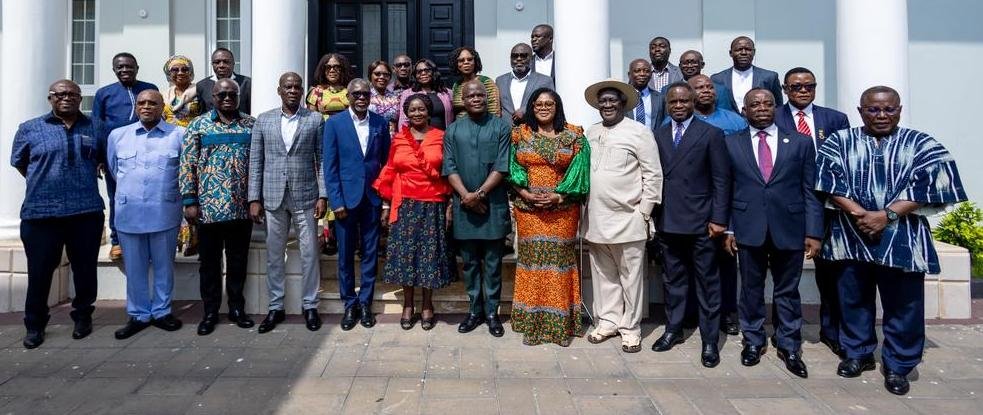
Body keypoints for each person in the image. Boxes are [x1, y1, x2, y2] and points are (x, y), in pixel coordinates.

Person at [816, 86, 967, 395]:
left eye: (889, 109)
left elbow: (935, 181)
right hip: (851, 235)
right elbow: (828, 180)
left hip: (903, 238)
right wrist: (861, 214)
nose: (881, 115)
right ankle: (857, 354)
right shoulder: (840, 141)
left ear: (899, 110)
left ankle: (899, 365)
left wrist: (887, 215)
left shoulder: (921, 143)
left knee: (904, 305)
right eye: (873, 109)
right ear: (860, 111)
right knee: (853, 299)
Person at [722, 88, 822, 378]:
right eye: (755, 104)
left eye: (767, 103)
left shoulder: (801, 143)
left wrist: (814, 232)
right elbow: (725, 189)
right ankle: (752, 341)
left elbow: (810, 191)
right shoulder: (731, 143)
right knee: (750, 289)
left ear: (776, 108)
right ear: (745, 110)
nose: (762, 108)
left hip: (790, 227)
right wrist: (728, 227)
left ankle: (789, 344)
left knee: (787, 291)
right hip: (746, 227)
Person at [12, 80, 104, 349]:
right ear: (50, 98)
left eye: (73, 94)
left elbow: (101, 159)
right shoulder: (30, 128)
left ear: (80, 99)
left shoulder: (95, 127)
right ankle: (35, 325)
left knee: (85, 270)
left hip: (85, 210)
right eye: (61, 94)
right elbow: (21, 163)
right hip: (41, 214)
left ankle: (83, 317)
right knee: (39, 272)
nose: (67, 98)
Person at [650, 82, 730, 369]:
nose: (679, 106)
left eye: (684, 101)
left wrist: (719, 219)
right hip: (668, 220)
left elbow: (721, 180)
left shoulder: (711, 134)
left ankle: (710, 340)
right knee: (673, 279)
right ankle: (674, 329)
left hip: (702, 222)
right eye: (674, 102)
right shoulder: (658, 135)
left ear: (693, 102)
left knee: (707, 282)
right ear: (667, 105)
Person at [581, 79, 662, 353]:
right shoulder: (590, 133)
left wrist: (645, 211)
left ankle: (631, 328)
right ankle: (607, 321)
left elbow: (653, 174)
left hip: (629, 217)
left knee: (631, 277)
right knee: (604, 275)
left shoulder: (639, 132)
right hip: (595, 217)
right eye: (602, 101)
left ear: (623, 104)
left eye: (612, 100)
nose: (607, 105)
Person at [775, 66, 850, 357]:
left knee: (831, 273)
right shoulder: (775, 116)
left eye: (809, 86)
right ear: (785, 89)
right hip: (789, 206)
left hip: (830, 206)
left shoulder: (834, 119)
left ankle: (831, 331)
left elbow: (845, 160)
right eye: (796, 87)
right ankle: (785, 333)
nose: (803, 91)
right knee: (786, 275)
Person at [509, 88, 590, 346]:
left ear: (557, 106)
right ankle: (531, 324)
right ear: (532, 107)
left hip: (563, 211)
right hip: (529, 210)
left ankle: (560, 326)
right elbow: (512, 169)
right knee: (533, 264)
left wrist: (559, 196)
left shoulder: (574, 135)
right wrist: (527, 194)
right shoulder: (520, 135)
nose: (543, 108)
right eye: (538, 104)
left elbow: (580, 173)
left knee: (558, 265)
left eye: (549, 104)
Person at [248, 72, 326, 334]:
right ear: (279, 90)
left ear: (302, 91)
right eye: (288, 87)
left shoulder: (314, 119)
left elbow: (322, 160)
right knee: (273, 254)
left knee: (309, 253)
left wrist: (323, 195)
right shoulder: (264, 120)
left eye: (297, 87)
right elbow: (256, 161)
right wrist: (253, 198)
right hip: (272, 196)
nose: (293, 91)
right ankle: (275, 306)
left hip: (305, 194)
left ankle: (310, 305)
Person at [180, 79, 257, 336]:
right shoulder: (198, 126)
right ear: (212, 97)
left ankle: (236, 308)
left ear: (238, 96)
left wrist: (256, 200)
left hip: (240, 209)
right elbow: (187, 164)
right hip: (208, 209)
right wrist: (189, 201)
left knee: (237, 263)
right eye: (221, 94)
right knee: (209, 265)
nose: (226, 98)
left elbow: (259, 165)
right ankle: (210, 311)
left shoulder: (250, 124)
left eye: (231, 94)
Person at [107, 90, 185, 339]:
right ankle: (139, 314)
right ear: (136, 107)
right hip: (130, 212)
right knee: (135, 267)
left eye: (153, 103)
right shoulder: (119, 136)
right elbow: (114, 169)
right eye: (142, 103)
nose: (147, 107)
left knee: (164, 266)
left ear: (163, 106)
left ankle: (162, 311)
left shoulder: (178, 135)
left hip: (164, 211)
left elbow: (184, 171)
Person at [373, 94, 454, 331]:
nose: (417, 113)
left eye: (421, 109)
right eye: (412, 110)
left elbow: (449, 170)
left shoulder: (441, 137)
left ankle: (427, 304)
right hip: (405, 202)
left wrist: (449, 204)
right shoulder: (398, 138)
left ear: (429, 112)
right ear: (406, 114)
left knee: (429, 255)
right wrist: (386, 205)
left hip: (432, 203)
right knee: (406, 255)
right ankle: (408, 304)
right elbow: (390, 169)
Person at [443, 80, 512, 337]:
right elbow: (449, 167)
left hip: (492, 205)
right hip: (464, 207)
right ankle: (474, 311)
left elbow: (502, 166)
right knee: (470, 263)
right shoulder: (453, 130)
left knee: (493, 263)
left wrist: (480, 194)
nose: (475, 99)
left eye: (480, 95)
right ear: (462, 99)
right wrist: (467, 197)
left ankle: (492, 312)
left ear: (487, 98)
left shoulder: (501, 127)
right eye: (470, 95)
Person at [323, 78, 392, 330]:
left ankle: (365, 303)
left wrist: (384, 201)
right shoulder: (334, 124)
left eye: (365, 93)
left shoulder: (379, 123)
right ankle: (349, 304)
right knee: (344, 256)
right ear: (348, 96)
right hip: (345, 202)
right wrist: (336, 201)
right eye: (357, 94)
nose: (362, 97)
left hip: (371, 199)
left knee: (370, 254)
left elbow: (385, 164)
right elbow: (329, 167)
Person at [92, 52, 159, 261]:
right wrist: (99, 157)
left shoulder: (149, 89)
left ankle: (147, 238)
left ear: (137, 68)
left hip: (147, 152)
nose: (124, 70)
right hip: (116, 155)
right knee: (117, 198)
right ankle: (117, 241)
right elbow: (97, 127)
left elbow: (158, 118)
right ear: (114, 70)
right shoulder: (104, 93)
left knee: (148, 196)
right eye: (120, 67)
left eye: (129, 67)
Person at [710, 37, 783, 108]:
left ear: (754, 52)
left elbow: (778, 107)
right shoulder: (717, 79)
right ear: (730, 53)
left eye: (748, 49)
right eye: (739, 49)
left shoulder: (770, 77)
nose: (743, 53)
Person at [495, 43, 554, 126]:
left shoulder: (545, 80)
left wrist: (526, 111)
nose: (519, 59)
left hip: (533, 130)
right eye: (515, 56)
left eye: (523, 56)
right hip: (506, 132)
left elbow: (550, 106)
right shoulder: (500, 81)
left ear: (531, 58)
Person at [397, 58, 453, 130]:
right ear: (415, 75)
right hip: (418, 139)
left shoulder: (447, 93)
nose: (423, 73)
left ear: (433, 72)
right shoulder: (407, 93)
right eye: (419, 71)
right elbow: (403, 121)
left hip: (443, 138)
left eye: (427, 70)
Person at [450, 46, 501, 119]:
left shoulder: (485, 82)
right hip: (460, 127)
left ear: (475, 62)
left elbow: (494, 111)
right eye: (461, 60)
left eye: (470, 59)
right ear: (457, 64)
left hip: (483, 127)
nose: (466, 62)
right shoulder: (457, 85)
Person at [196, 47, 252, 114]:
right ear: (212, 64)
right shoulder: (202, 86)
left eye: (226, 62)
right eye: (217, 62)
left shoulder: (247, 83)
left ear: (233, 63)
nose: (221, 65)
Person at [307, 53, 354, 118]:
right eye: (328, 67)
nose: (332, 70)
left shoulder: (351, 90)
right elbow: (311, 119)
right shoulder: (316, 92)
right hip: (325, 127)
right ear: (323, 70)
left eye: (336, 67)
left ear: (343, 69)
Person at [161, 55, 203, 127]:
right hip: (169, 134)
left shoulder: (199, 91)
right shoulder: (164, 95)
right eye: (175, 70)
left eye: (184, 69)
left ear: (190, 72)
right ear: (169, 74)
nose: (180, 73)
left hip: (192, 134)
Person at [626, 59, 667, 132]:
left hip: (653, 141)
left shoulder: (661, 98)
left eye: (646, 71)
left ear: (651, 75)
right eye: (637, 71)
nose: (642, 74)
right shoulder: (623, 98)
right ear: (629, 75)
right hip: (628, 140)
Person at [367, 60, 401, 133]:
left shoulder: (397, 97)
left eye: (386, 74)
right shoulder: (364, 96)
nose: (382, 77)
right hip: (370, 138)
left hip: (392, 139)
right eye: (377, 74)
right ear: (370, 76)